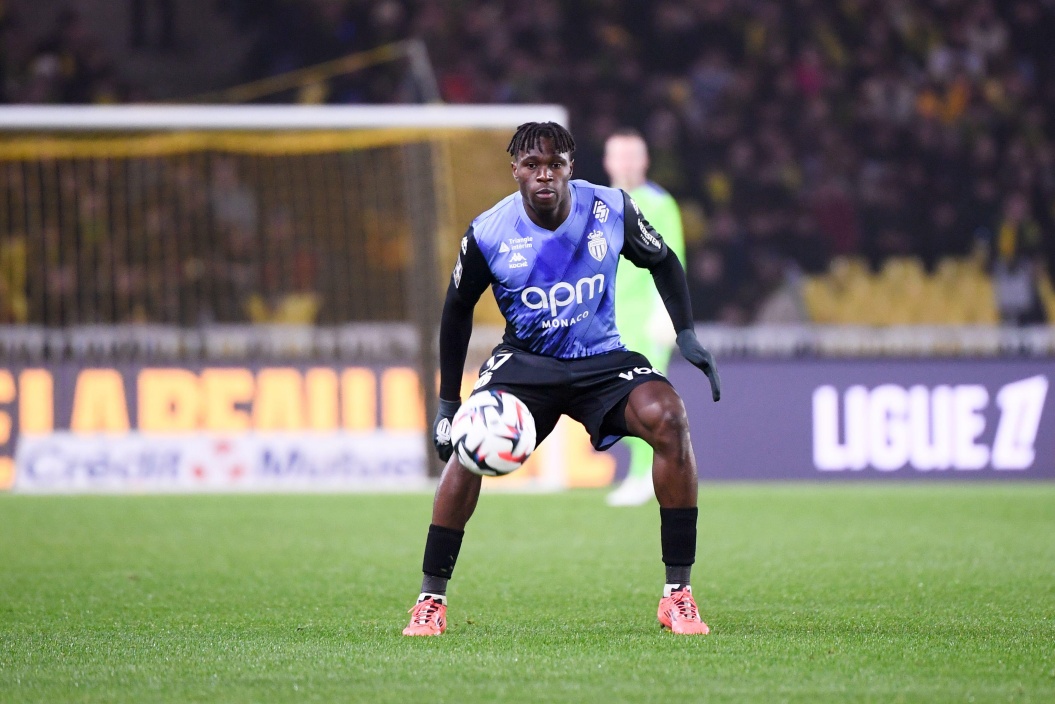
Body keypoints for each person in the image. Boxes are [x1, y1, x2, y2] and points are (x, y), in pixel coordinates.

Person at [403, 122, 721, 637]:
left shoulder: (611, 209)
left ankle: (677, 595)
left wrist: (685, 333)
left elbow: (663, 261)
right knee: (469, 446)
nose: (544, 175)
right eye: (532, 165)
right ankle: (429, 600)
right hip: (527, 364)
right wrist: (446, 403)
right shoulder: (488, 232)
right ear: (516, 172)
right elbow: (456, 310)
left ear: (572, 167)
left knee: (670, 416)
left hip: (601, 357)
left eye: (555, 165)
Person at [602, 128, 687, 506]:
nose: (626, 163)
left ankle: (643, 478)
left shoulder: (659, 203)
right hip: (608, 318)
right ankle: (637, 475)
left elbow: (674, 260)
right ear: (608, 161)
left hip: (646, 316)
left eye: (632, 156)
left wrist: (668, 314)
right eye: (619, 156)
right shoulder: (599, 202)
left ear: (645, 160)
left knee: (645, 400)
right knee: (617, 400)